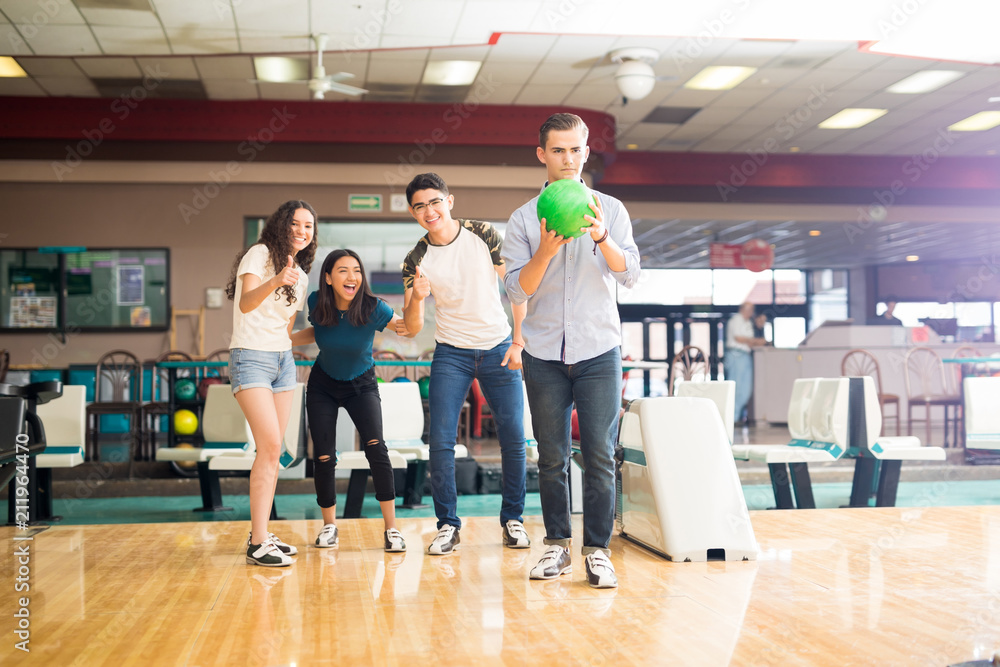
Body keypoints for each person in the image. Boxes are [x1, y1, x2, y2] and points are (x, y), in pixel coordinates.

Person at [501, 113, 641, 589]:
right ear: (542, 155)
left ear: (586, 152)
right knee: (552, 455)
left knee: (601, 454)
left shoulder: (611, 209)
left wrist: (601, 236)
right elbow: (517, 293)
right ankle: (557, 546)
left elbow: (630, 274)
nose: (567, 159)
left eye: (575, 149)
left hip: (599, 348)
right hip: (543, 352)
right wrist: (545, 249)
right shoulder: (523, 218)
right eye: (557, 150)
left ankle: (598, 552)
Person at [402, 172, 530, 556]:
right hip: (451, 353)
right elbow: (411, 327)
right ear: (413, 212)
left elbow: (516, 288)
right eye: (420, 206)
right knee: (440, 441)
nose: (429, 211)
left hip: (498, 346)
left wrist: (519, 341)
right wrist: (415, 299)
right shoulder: (416, 259)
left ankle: (513, 520)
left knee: (513, 437)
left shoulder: (482, 233)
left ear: (449, 201)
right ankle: (447, 525)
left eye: (435, 201)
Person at [290, 249, 410, 553]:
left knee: (376, 449)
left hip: (362, 384)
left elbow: (405, 328)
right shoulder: (317, 301)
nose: (352, 276)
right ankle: (329, 526)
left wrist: (416, 298)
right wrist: (280, 337)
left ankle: (392, 529)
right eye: (343, 270)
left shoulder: (373, 307)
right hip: (323, 384)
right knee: (324, 456)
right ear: (329, 278)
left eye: (356, 270)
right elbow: (317, 332)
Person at [225, 199, 317, 567]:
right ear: (281, 225)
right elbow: (246, 303)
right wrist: (278, 279)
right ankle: (257, 544)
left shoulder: (305, 275)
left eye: (308, 226)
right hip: (250, 356)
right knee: (270, 445)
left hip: (283, 361)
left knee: (275, 452)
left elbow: (288, 330)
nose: (301, 231)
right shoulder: (259, 255)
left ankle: (260, 533)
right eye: (295, 224)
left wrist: (338, 328)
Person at [726, 302, 767, 425]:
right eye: (749, 309)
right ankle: (731, 419)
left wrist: (758, 339)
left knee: (745, 389)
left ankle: (736, 417)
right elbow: (739, 338)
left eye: (752, 310)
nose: (751, 312)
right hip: (735, 355)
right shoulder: (736, 320)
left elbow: (749, 341)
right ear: (742, 309)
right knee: (736, 388)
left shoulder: (748, 323)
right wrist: (756, 341)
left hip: (745, 355)